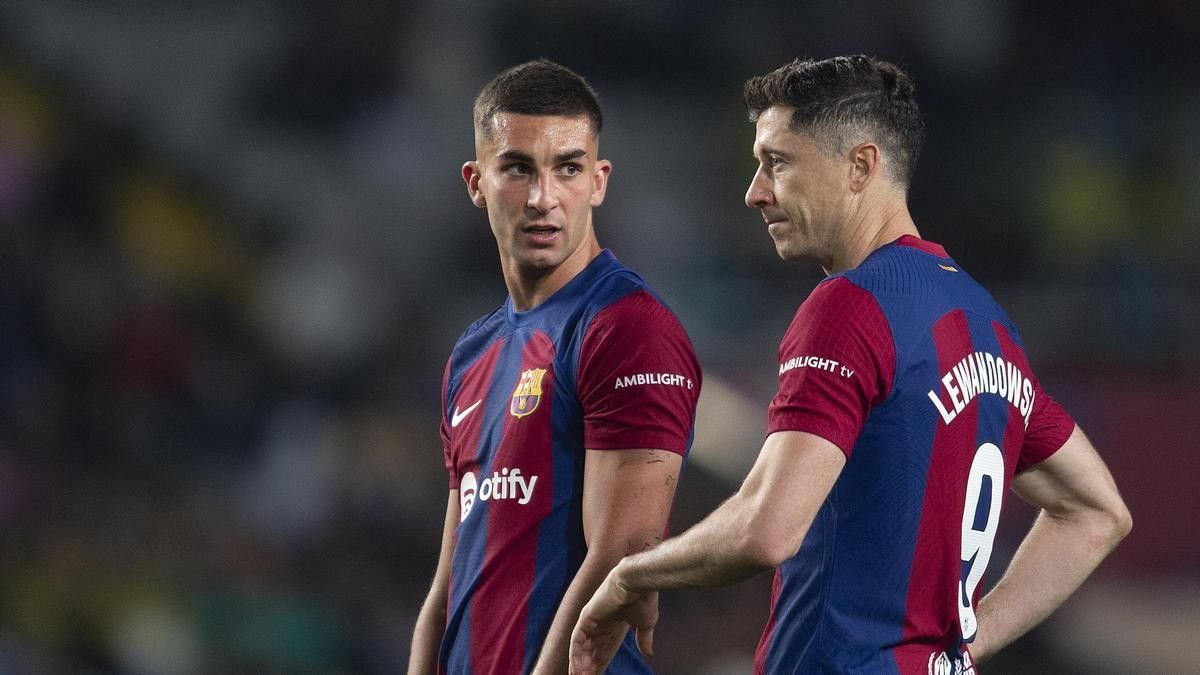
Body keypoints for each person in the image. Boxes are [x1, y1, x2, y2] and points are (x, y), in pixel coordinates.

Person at [569, 56, 1131, 675]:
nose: (755, 191)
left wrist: (630, 575)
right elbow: (1097, 512)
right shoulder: (989, 324)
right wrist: (961, 651)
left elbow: (766, 529)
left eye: (778, 163)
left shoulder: (851, 307)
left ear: (860, 166)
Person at [408, 59, 702, 675]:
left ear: (598, 182)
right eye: (518, 168)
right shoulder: (472, 353)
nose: (543, 198)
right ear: (475, 182)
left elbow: (622, 556)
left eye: (568, 168)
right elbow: (449, 579)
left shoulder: (628, 328)